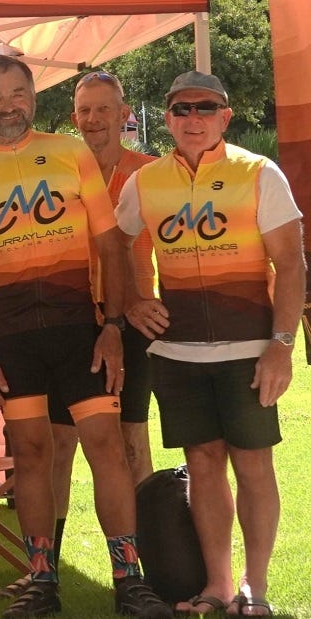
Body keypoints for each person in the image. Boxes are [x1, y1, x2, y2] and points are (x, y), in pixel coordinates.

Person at [0, 55, 170, 619]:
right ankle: (42, 581)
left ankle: (129, 581)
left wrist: (112, 327)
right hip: (11, 340)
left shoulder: (70, 153)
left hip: (78, 332)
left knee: (107, 448)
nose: (8, 106)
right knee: (32, 455)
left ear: (34, 96)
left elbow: (112, 245)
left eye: (17, 93)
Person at [116, 71, 304, 617]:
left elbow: (291, 264)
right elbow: (117, 243)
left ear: (225, 117)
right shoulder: (145, 182)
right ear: (167, 118)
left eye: (204, 108)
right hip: (178, 353)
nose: (192, 118)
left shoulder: (258, 172)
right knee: (201, 465)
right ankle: (218, 584)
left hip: (248, 350)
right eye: (181, 109)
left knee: (253, 465)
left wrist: (282, 346)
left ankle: (255, 586)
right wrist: (133, 299)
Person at [0, 70, 158, 600]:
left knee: (129, 444)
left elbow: (179, 250)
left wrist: (142, 302)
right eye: (84, 110)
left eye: (104, 108)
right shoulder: (60, 165)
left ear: (124, 113)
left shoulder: (148, 173)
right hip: (71, 325)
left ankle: (142, 572)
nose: (93, 119)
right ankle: (45, 571)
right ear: (73, 118)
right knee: (57, 445)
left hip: (125, 327)